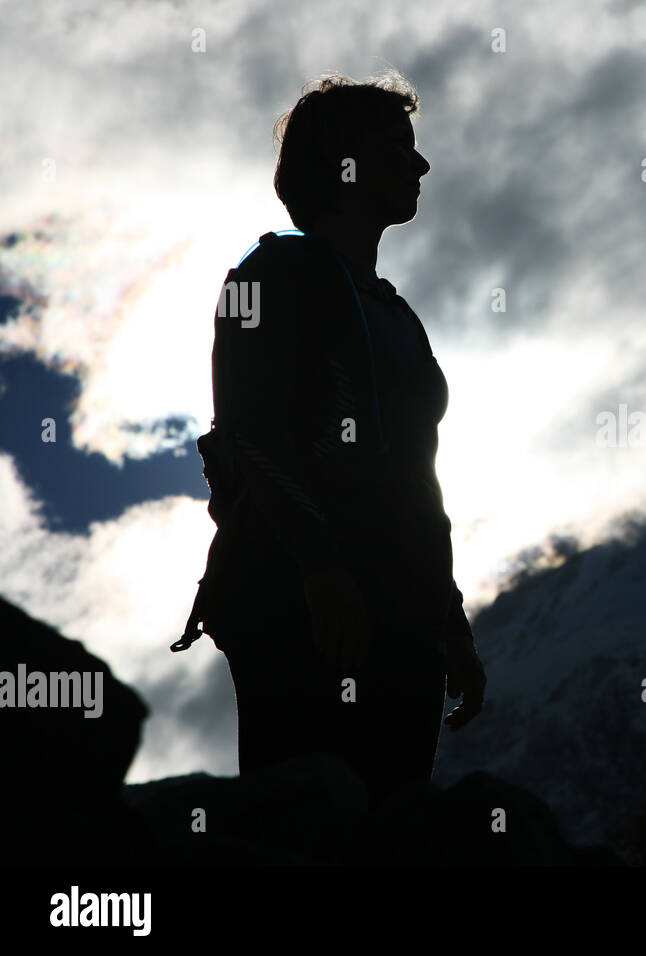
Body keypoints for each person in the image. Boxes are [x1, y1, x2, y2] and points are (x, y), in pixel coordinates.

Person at [200, 70, 485, 809]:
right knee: (307, 822)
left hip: (400, 615)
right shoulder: (267, 275)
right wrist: (321, 570)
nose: (420, 165)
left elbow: (419, 476)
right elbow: (251, 431)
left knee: (392, 829)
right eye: (397, 147)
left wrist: (447, 617)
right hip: (300, 606)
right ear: (342, 166)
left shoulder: (396, 314)